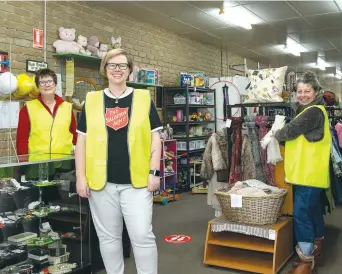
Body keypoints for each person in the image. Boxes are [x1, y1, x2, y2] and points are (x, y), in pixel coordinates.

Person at [75, 48, 162, 274]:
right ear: (105, 69)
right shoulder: (91, 100)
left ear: (130, 71)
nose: (117, 70)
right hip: (100, 183)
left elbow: (155, 136)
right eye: (112, 65)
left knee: (142, 234)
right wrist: (80, 177)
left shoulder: (143, 98)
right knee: (108, 237)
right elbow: (81, 142)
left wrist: (155, 172)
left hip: (137, 182)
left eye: (122, 65)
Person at [274, 71, 331, 274]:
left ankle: (306, 262)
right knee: (313, 212)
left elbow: (286, 133)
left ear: (316, 92)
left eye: (307, 91)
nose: (303, 94)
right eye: (299, 91)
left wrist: (276, 132)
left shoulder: (313, 112)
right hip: (308, 174)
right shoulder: (310, 111)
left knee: (301, 215)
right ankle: (317, 251)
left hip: (308, 175)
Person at [16, 68, 77, 161]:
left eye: (50, 81)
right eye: (42, 82)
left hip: (65, 164)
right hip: (37, 165)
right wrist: (23, 164)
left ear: (55, 84)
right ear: (38, 86)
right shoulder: (27, 109)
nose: (47, 85)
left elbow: (75, 137)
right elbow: (22, 140)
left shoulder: (67, 108)